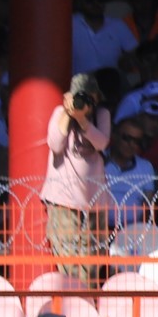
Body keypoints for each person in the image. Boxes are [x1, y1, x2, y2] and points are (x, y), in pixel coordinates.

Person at [42, 74, 109, 281]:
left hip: (94, 202)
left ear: (96, 98)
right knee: (69, 264)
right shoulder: (60, 113)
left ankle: (86, 305)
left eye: (88, 97)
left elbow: (101, 143)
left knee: (92, 263)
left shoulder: (101, 114)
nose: (84, 102)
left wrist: (83, 120)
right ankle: (75, 304)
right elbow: (55, 144)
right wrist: (69, 113)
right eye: (79, 96)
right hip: (64, 200)